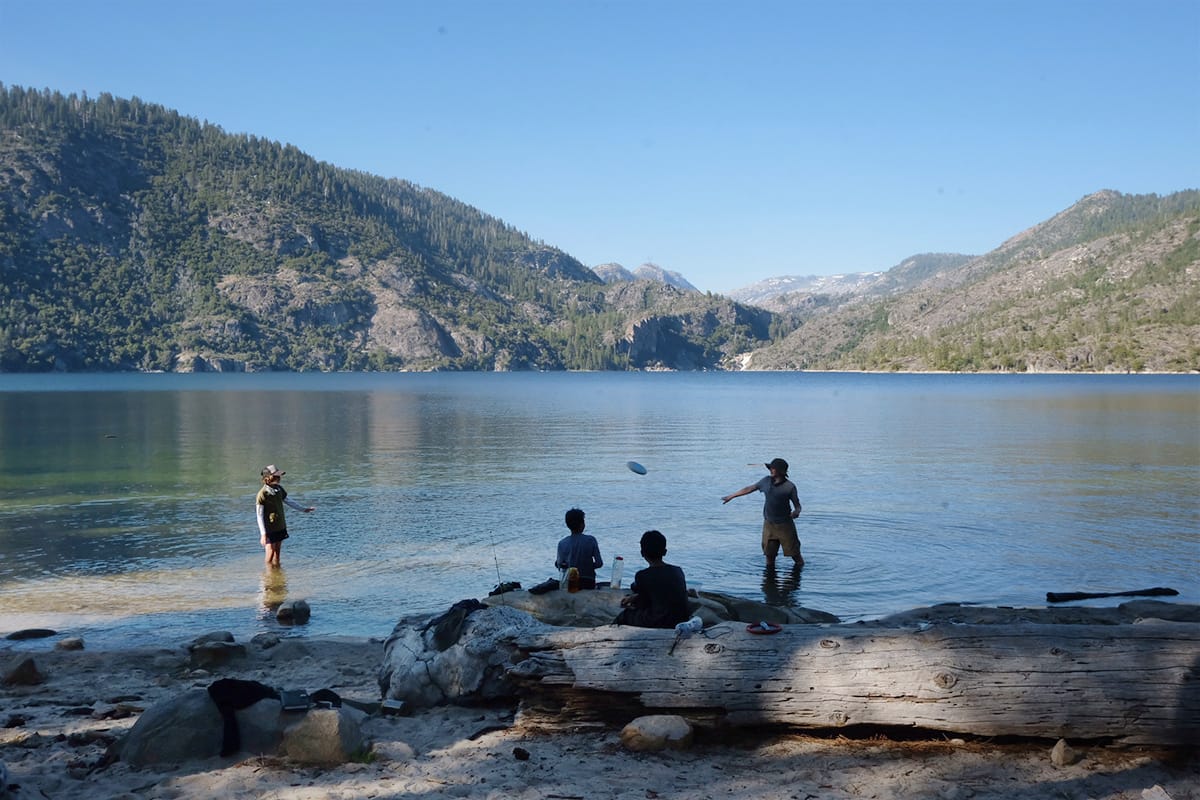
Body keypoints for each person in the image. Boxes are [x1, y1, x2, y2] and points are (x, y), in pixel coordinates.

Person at [722, 457, 804, 567]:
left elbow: (797, 506)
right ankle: (770, 581)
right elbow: (750, 488)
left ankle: (797, 579)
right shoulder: (766, 481)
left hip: (785, 525)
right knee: (769, 557)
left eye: (773, 468)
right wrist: (732, 496)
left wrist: (796, 512)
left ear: (780, 471)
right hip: (768, 525)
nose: (770, 470)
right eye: (770, 468)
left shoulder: (789, 487)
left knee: (795, 556)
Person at [614, 530, 690, 629]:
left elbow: (643, 603)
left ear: (642, 553)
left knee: (626, 615)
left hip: (659, 621)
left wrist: (634, 599)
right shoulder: (678, 571)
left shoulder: (642, 575)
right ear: (665, 552)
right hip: (681, 619)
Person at [256, 464, 314, 567]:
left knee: (277, 552)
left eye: (279, 476)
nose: (279, 478)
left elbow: (289, 501)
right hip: (269, 528)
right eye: (276, 476)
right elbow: (259, 515)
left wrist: (303, 509)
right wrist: (263, 534)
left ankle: (277, 574)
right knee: (270, 552)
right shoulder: (262, 493)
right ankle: (267, 577)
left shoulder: (279, 489)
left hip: (280, 525)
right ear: (268, 477)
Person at [556, 507, 603, 589]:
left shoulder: (562, 543)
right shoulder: (591, 540)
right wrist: (587, 566)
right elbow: (599, 563)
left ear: (567, 525)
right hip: (588, 582)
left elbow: (560, 565)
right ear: (582, 524)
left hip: (569, 583)